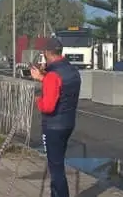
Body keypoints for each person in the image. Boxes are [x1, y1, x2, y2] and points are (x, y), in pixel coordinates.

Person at [30, 38, 81, 197]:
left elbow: (48, 106)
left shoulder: (53, 75)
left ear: (46, 53)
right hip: (68, 123)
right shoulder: (72, 71)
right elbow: (60, 88)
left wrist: (37, 100)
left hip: (53, 126)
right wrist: (42, 78)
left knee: (56, 168)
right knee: (58, 162)